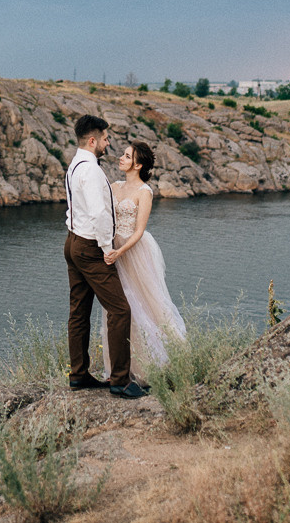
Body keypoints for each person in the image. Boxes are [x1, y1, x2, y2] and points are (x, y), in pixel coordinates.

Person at [64, 114, 147, 399]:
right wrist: (105, 248)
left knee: (79, 310)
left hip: (73, 241)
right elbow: (99, 213)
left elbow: (76, 207)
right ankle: (120, 381)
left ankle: (78, 375)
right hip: (89, 247)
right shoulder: (90, 170)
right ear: (92, 140)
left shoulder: (75, 165)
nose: (107, 143)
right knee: (120, 309)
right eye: (105, 138)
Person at [101, 141, 186, 383]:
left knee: (144, 306)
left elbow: (139, 231)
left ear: (137, 165)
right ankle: (119, 369)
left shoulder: (144, 192)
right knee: (117, 309)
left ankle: (154, 367)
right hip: (113, 250)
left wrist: (120, 252)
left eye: (127, 156)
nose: (121, 158)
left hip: (134, 253)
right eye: (123, 155)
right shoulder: (115, 186)